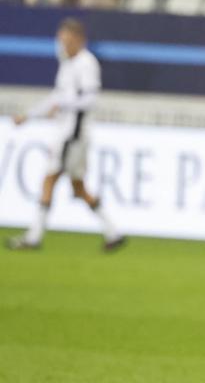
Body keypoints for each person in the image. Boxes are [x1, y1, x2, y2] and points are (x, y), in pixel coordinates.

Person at [7, 19, 125, 252]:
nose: (63, 45)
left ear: (79, 40)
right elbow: (57, 96)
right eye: (61, 41)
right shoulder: (67, 62)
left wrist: (64, 105)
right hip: (68, 132)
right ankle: (113, 232)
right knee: (78, 187)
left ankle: (34, 237)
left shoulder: (86, 64)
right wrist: (29, 115)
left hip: (73, 134)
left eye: (67, 41)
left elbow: (90, 98)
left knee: (49, 179)